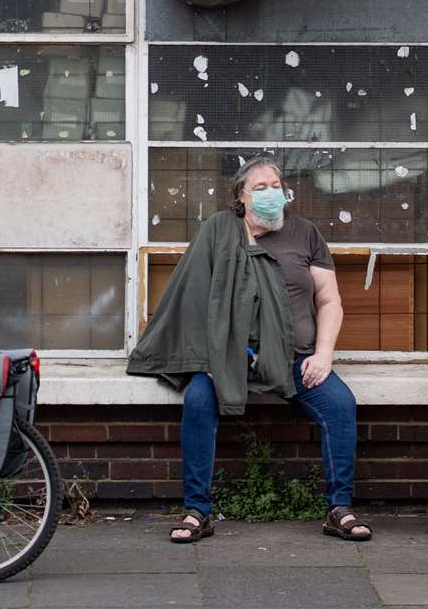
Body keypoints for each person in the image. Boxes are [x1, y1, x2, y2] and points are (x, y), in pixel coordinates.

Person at [127, 155, 370, 544]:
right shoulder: (217, 231)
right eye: (260, 188)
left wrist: (323, 354)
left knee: (340, 404)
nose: (271, 194)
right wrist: (205, 359)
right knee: (199, 404)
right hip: (228, 359)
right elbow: (190, 298)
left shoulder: (304, 234)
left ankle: (339, 508)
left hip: (297, 359)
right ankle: (197, 511)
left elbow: (329, 301)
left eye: (276, 187)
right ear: (241, 197)